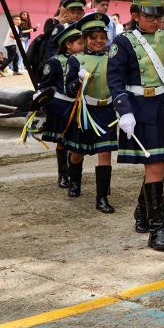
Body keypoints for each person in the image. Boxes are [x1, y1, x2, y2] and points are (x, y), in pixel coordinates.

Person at [108, 0, 164, 251]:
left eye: (159, 16)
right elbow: (115, 80)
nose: (155, 21)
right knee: (155, 164)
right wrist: (124, 110)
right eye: (149, 16)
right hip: (140, 109)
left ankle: (142, 212)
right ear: (135, 15)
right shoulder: (123, 42)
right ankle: (157, 229)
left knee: (159, 164)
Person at [62, 12, 118, 211]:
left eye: (102, 37)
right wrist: (78, 80)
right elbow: (68, 90)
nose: (98, 41)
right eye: (93, 37)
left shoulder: (112, 58)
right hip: (84, 112)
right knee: (78, 152)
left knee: (105, 153)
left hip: (107, 111)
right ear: (85, 39)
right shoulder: (76, 60)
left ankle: (102, 198)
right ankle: (74, 181)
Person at [37, 23, 85, 191]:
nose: (83, 46)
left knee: (77, 142)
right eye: (80, 43)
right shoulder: (55, 61)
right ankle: (63, 174)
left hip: (80, 106)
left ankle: (74, 174)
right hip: (61, 107)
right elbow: (45, 85)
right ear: (68, 44)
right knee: (62, 141)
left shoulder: (85, 59)